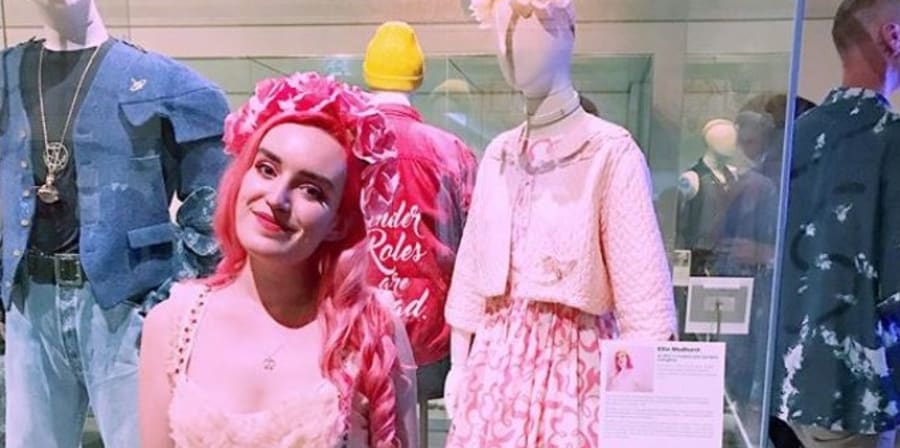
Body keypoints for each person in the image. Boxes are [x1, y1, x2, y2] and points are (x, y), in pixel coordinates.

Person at [138, 72, 419, 448]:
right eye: (267, 169)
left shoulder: (370, 328)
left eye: (311, 190)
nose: (277, 198)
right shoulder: (172, 326)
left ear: (339, 223)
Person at [443, 1, 677, 446]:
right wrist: (460, 364)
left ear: (567, 33)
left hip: (575, 365)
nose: (508, 46)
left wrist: (646, 414)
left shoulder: (609, 151)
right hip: (495, 365)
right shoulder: (500, 153)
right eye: (499, 33)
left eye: (527, 29)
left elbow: (642, 296)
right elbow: (474, 268)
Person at [0, 1, 229, 446]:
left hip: (125, 307)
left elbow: (217, 203)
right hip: (30, 306)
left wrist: (173, 290)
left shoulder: (167, 83)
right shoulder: (6, 76)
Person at [773, 1, 900, 446]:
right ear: (892, 36)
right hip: (853, 393)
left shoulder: (792, 140)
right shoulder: (891, 138)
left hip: (777, 387)